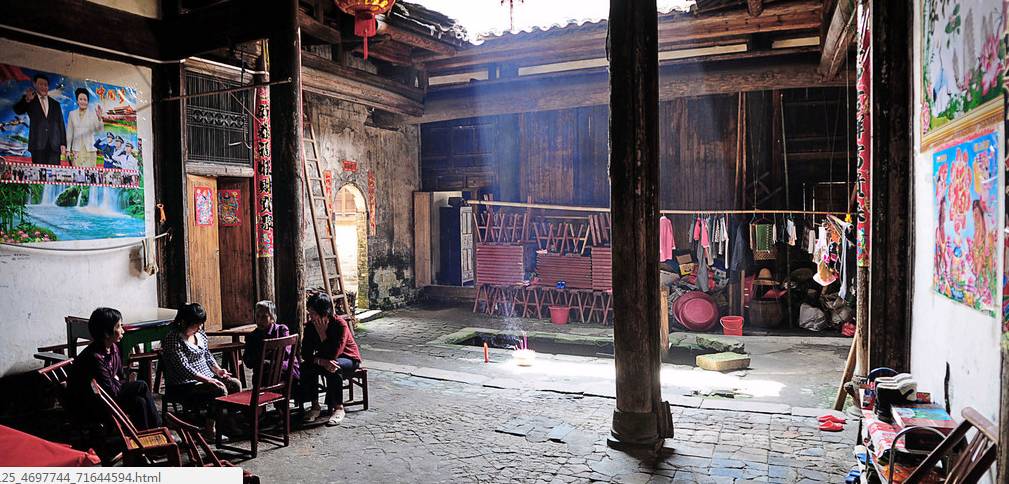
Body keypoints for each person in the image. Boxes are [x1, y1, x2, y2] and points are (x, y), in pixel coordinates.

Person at [69, 307, 161, 430]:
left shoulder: (113, 348)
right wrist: (118, 383)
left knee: (139, 401)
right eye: (118, 326)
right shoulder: (94, 357)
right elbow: (111, 392)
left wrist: (117, 382)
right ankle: (158, 426)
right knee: (141, 385)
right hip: (93, 404)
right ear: (106, 333)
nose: (122, 330)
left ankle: (146, 433)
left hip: (110, 395)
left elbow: (121, 376)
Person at [161, 303, 241, 433]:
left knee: (235, 384)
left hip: (205, 378)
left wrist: (218, 370)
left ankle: (229, 422)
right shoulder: (173, 339)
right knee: (219, 389)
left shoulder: (200, 334)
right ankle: (210, 429)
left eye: (201, 324)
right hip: (184, 384)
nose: (199, 327)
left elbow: (207, 355)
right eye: (196, 324)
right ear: (184, 322)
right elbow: (183, 368)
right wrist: (207, 380)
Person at [300, 292, 361, 426]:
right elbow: (305, 353)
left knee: (334, 367)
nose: (311, 316)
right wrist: (320, 361)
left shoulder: (339, 324)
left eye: (313, 313)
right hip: (324, 358)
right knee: (306, 367)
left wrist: (323, 335)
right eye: (310, 313)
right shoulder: (310, 326)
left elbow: (334, 354)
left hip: (348, 357)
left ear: (324, 312)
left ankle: (338, 407)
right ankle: (315, 406)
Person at [243, 301, 299, 392]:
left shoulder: (281, 330)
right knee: (262, 374)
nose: (259, 320)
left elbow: (286, 354)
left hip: (286, 373)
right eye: (257, 316)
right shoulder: (252, 337)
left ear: (272, 318)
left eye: (264, 317)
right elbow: (248, 362)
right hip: (263, 376)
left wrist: (267, 361)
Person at [12, 74, 66, 165]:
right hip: (38, 144)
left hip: (54, 145)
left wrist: (63, 143)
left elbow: (61, 123)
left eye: (45, 85)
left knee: (54, 172)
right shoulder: (30, 100)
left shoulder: (55, 104)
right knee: (39, 171)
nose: (43, 87)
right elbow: (18, 110)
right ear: (35, 85)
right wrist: (27, 99)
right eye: (41, 84)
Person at [65, 88, 103, 168]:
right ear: (77, 101)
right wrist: (68, 149)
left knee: (91, 173)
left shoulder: (93, 113)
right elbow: (69, 133)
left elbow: (99, 130)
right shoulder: (72, 114)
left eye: (85, 100)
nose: (83, 101)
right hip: (77, 150)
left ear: (88, 101)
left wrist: (99, 118)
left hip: (90, 150)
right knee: (77, 173)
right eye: (81, 99)